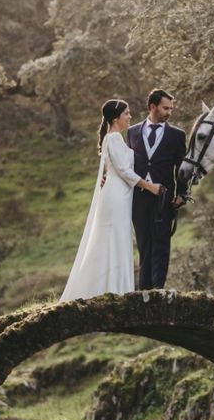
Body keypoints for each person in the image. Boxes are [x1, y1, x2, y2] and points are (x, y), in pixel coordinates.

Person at [60, 98, 164, 301]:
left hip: (121, 194)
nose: (130, 117)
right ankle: (113, 289)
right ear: (116, 118)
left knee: (118, 236)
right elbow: (124, 171)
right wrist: (150, 186)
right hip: (116, 195)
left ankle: (115, 288)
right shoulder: (114, 138)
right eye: (126, 113)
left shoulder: (115, 138)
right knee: (114, 237)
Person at [127, 88, 187, 289]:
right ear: (152, 107)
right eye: (165, 108)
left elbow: (182, 168)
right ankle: (143, 292)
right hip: (139, 197)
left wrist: (182, 193)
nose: (169, 112)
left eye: (171, 108)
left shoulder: (177, 135)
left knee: (161, 245)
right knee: (144, 246)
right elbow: (127, 165)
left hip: (164, 198)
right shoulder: (132, 132)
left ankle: (158, 291)